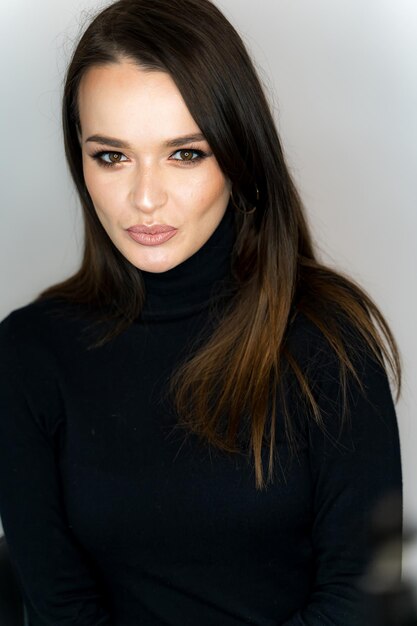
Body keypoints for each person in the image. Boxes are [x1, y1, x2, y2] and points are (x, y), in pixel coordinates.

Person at [0, 0, 402, 624]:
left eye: (185, 153)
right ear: (80, 160)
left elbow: (362, 593)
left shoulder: (327, 337)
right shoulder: (28, 354)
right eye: (112, 155)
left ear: (239, 157)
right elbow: (60, 605)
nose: (145, 197)